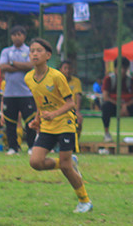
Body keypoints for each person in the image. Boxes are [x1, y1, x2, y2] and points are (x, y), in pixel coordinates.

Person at [24, 38, 92, 214]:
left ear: (48, 55)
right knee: (35, 162)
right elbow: (40, 102)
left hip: (65, 123)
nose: (34, 54)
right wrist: (37, 119)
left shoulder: (56, 76)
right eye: (32, 51)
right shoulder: (28, 78)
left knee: (65, 166)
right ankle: (68, 162)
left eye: (39, 50)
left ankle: (85, 201)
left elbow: (71, 104)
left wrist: (54, 114)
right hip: (47, 126)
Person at [0, 26, 36, 155]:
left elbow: (30, 66)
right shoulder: (6, 51)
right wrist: (20, 66)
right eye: (14, 35)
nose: (16, 37)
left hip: (26, 92)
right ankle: (13, 147)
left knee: (30, 121)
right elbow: (3, 66)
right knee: (10, 122)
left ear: (24, 36)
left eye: (19, 34)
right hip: (10, 93)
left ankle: (31, 146)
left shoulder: (30, 50)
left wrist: (13, 64)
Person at [100, 57, 133, 141]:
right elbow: (105, 96)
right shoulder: (109, 79)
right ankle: (106, 133)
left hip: (128, 106)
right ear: (115, 68)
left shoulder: (131, 80)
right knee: (105, 106)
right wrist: (120, 105)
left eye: (125, 68)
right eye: (120, 68)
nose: (123, 71)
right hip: (113, 105)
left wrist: (125, 106)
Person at [59, 60, 84, 136]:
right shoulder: (57, 80)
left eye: (69, 68)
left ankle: (76, 139)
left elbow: (78, 96)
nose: (67, 71)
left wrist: (77, 111)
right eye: (65, 68)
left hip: (72, 109)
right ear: (60, 70)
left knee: (79, 120)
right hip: (60, 109)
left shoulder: (76, 81)